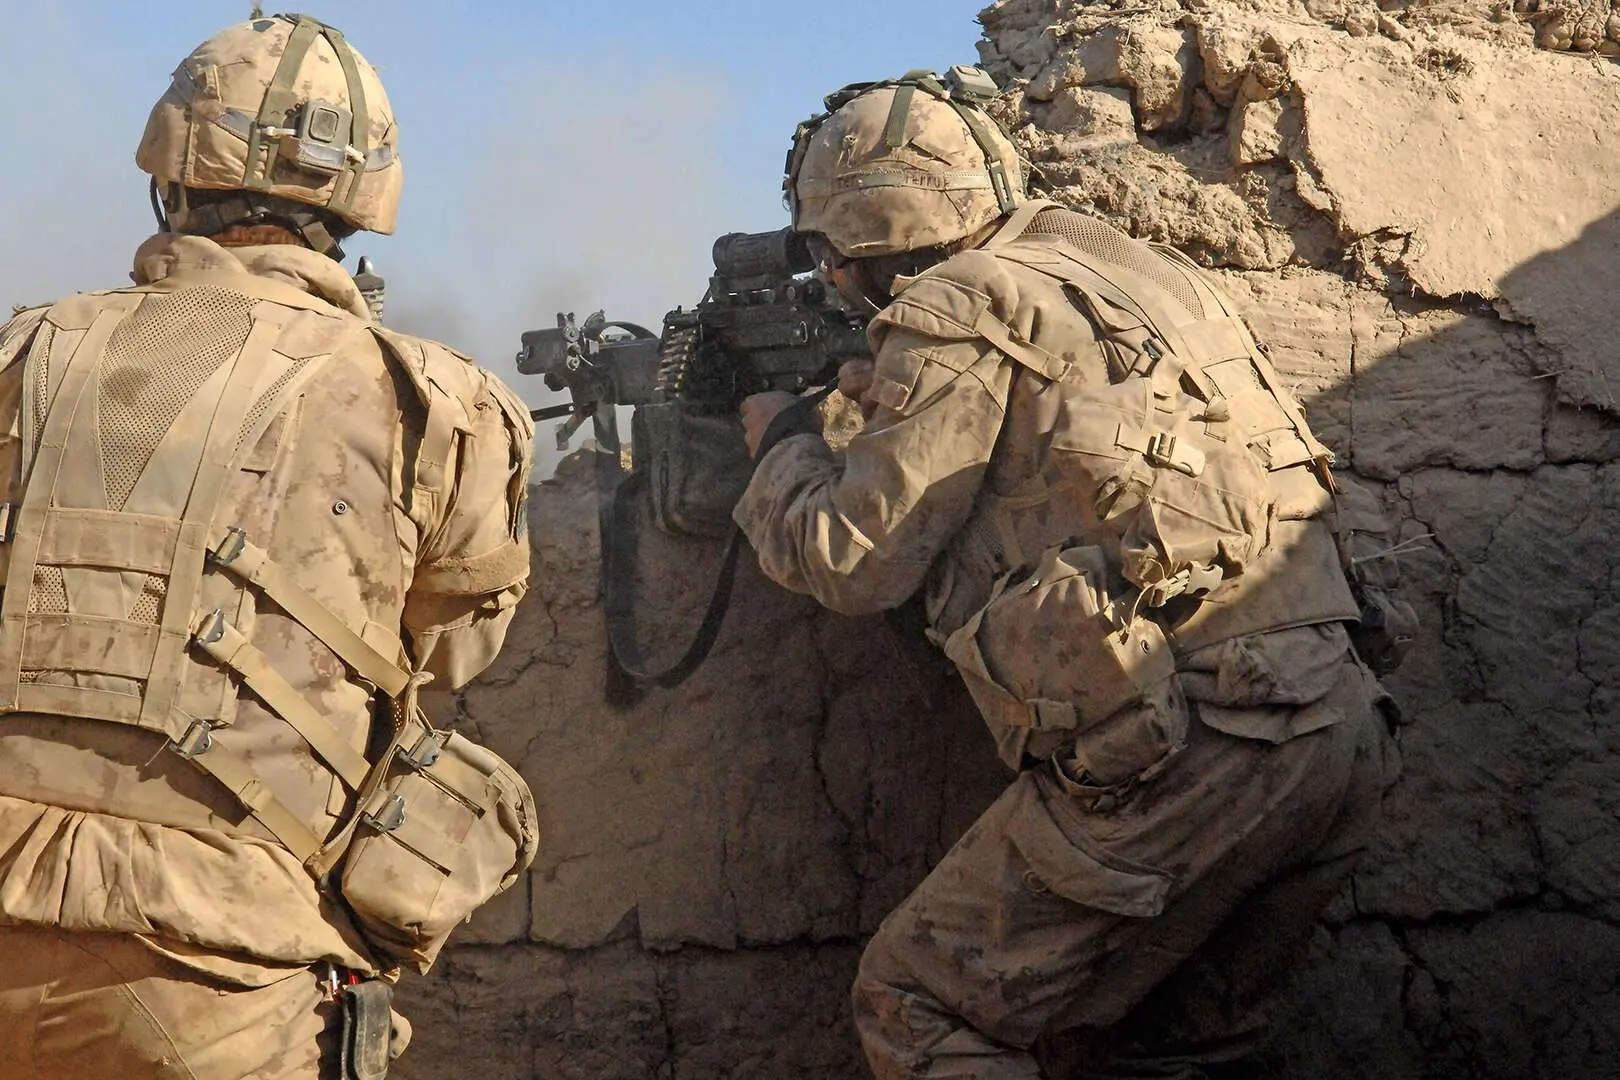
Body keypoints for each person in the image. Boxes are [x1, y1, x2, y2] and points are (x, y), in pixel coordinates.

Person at [735, 68, 1400, 1080]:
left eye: (834, 261)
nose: (831, 286)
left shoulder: (957, 300)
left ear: (868, 248)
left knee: (913, 1003)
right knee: (1166, 1047)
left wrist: (782, 440)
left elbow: (852, 558)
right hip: (1334, 724)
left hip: (1205, 744)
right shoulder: (1132, 273)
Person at [0, 13, 535, 1080]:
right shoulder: (438, 400)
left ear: (172, 176)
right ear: (355, 207)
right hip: (221, 965)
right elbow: (456, 651)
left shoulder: (22, 350)